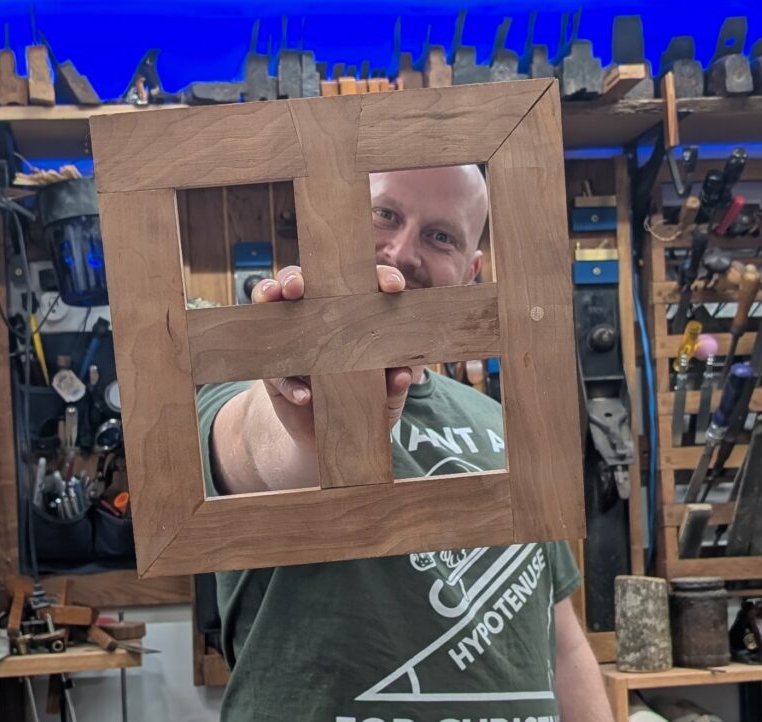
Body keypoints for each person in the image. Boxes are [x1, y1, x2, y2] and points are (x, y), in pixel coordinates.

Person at [198, 164, 613, 722]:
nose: (400, 252)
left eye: (440, 236)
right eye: (383, 214)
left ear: (471, 272)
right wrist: (313, 415)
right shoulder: (251, 388)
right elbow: (263, 454)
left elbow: (559, 636)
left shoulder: (503, 420)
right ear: (331, 227)